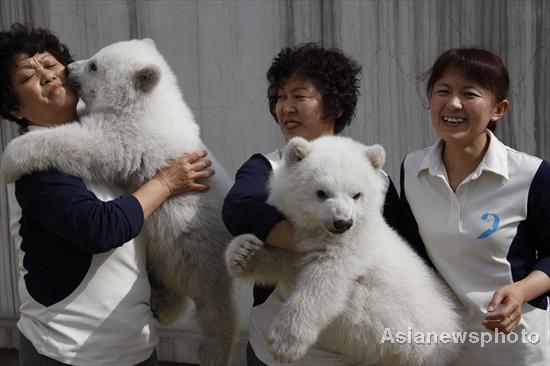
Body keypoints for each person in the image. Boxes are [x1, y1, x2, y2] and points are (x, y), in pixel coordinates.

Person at [0, 24, 214, 366]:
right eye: (28, 76)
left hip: (134, 347)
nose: (47, 76)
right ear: (14, 108)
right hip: (65, 351)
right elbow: (99, 229)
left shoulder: (105, 131)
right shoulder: (37, 162)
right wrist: (166, 182)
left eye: (50, 64)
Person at [222, 43, 399, 366]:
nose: (286, 107)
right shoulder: (268, 167)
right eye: (280, 97)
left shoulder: (375, 179)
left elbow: (402, 254)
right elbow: (240, 209)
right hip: (273, 349)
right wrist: (333, 249)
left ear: (335, 107)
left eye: (299, 97)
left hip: (354, 351)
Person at [398, 47, 550, 365]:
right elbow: (411, 256)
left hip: (520, 349)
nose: (453, 104)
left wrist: (521, 291)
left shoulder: (531, 174)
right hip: (446, 349)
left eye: (470, 94)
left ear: (499, 108)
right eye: (443, 91)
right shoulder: (412, 170)